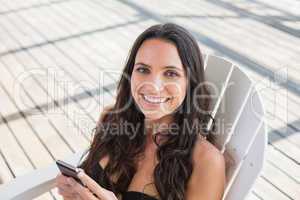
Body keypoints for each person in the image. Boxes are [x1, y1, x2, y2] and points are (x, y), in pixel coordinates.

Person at [56, 23, 225, 200]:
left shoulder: (206, 161)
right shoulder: (111, 119)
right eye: (143, 70)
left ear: (190, 82)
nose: (153, 86)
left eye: (170, 73)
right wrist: (72, 191)